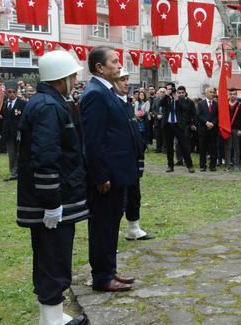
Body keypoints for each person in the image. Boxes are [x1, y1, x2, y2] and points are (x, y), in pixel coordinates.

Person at [16, 50, 88, 325]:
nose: (74, 80)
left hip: (53, 197)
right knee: (52, 258)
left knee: (51, 257)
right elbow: (45, 158)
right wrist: (51, 203)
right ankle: (52, 319)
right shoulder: (48, 106)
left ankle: (53, 314)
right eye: (72, 75)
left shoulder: (50, 102)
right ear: (61, 78)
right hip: (50, 201)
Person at [81, 46, 137, 293]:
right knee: (103, 226)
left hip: (117, 173)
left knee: (111, 224)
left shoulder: (108, 92)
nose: (118, 64)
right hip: (107, 177)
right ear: (99, 68)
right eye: (114, 61)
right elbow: (93, 140)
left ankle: (110, 271)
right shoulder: (95, 94)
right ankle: (102, 276)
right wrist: (100, 174)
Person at [112, 68, 154, 241]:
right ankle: (111, 234)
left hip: (132, 158)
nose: (126, 83)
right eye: (122, 79)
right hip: (119, 160)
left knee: (134, 195)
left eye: (127, 79)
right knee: (118, 200)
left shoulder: (126, 102)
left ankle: (133, 228)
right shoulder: (111, 102)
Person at [161, 83, 196, 173]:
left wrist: (177, 100)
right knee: (169, 147)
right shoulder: (166, 98)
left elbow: (185, 109)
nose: (170, 90)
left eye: (171, 89)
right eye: (168, 89)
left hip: (178, 125)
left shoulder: (180, 98)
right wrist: (166, 95)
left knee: (184, 146)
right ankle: (170, 166)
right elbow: (160, 104)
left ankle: (190, 165)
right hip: (168, 125)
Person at [1, 82, 26, 181]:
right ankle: (12, 172)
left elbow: (24, 118)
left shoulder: (22, 103)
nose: (12, 94)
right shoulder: (5, 103)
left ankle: (16, 172)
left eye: (14, 92)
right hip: (8, 133)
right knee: (11, 153)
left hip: (18, 132)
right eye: (9, 92)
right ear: (6, 93)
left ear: (17, 92)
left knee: (18, 153)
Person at [197, 87, 219, 171]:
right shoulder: (200, 103)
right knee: (202, 148)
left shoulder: (216, 104)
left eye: (213, 92)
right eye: (210, 92)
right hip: (203, 129)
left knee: (213, 148)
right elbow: (199, 115)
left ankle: (212, 166)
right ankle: (202, 165)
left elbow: (217, 116)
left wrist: (213, 123)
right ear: (206, 93)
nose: (212, 94)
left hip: (213, 129)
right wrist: (206, 122)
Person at [225, 90, 241, 171]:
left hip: (237, 129)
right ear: (228, 95)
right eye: (231, 94)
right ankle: (228, 165)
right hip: (227, 129)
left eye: (234, 94)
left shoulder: (240, 105)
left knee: (236, 148)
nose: (232, 95)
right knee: (228, 148)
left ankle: (236, 165)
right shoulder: (225, 104)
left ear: (236, 95)